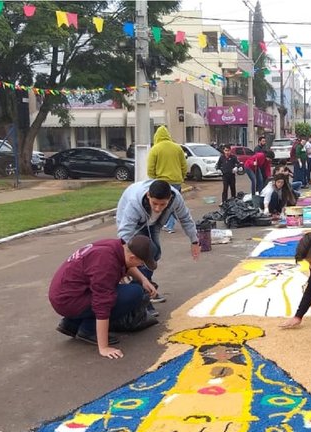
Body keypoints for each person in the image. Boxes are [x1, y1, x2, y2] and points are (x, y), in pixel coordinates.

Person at [49, 235, 158, 359]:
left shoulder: (116, 247)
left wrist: (143, 279)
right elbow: (102, 305)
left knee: (129, 289)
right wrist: (104, 347)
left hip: (66, 295)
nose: (140, 265)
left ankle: (72, 324)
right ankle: (88, 330)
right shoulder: (106, 265)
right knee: (133, 293)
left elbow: (127, 263)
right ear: (133, 257)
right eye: (141, 262)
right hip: (69, 301)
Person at [116, 180, 201, 309]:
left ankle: (145, 288)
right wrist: (123, 260)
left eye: (163, 204)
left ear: (170, 199)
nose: (157, 208)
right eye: (154, 203)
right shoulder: (135, 202)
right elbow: (125, 232)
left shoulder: (176, 198)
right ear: (148, 195)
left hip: (154, 224)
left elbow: (185, 218)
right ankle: (142, 297)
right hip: (134, 225)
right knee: (141, 256)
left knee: (154, 255)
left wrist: (194, 241)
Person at [147, 125, 187, 233]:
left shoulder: (155, 149)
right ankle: (170, 225)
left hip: (161, 181)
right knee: (173, 204)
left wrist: (153, 178)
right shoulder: (177, 148)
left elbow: (150, 167)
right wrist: (181, 177)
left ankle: (162, 223)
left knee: (160, 204)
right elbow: (184, 165)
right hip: (176, 181)